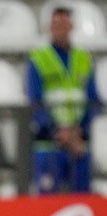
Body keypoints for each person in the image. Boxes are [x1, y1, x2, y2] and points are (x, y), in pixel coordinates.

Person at [27, 7, 102, 193]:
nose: (60, 28)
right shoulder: (38, 59)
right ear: (49, 28)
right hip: (49, 143)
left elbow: (92, 100)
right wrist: (58, 131)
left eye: (64, 24)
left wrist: (78, 131)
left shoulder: (83, 58)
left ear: (71, 26)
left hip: (78, 144)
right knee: (48, 205)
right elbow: (35, 101)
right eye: (56, 24)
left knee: (81, 200)